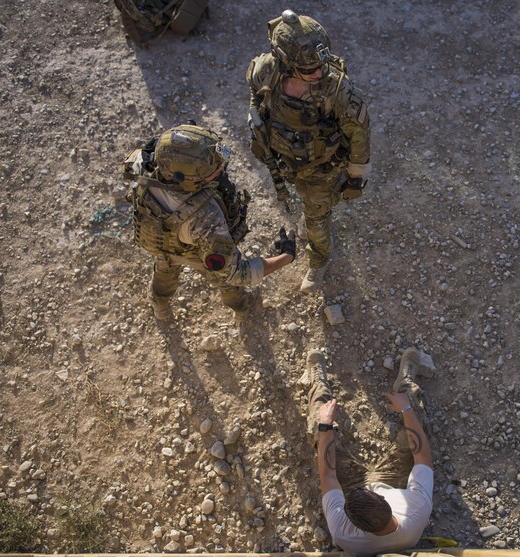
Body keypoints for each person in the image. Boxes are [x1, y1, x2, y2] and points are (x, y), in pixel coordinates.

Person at [247, 9, 371, 294]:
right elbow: (255, 93)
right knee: (307, 206)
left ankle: (319, 261)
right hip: (286, 161)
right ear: (285, 61)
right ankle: (310, 219)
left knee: (317, 221)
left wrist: (356, 177)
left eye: (321, 64)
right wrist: (256, 126)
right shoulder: (267, 69)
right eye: (308, 69)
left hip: (321, 170)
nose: (318, 72)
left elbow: (360, 132)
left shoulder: (337, 89)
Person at [122, 123, 297, 320]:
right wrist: (287, 256)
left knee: (164, 271)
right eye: (212, 170)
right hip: (195, 250)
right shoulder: (206, 217)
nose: (221, 167)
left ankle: (159, 307)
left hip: (158, 242)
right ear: (187, 180)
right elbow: (239, 273)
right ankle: (241, 307)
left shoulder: (145, 165)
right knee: (226, 282)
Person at [304, 348, 433, 556]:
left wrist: (325, 425)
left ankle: (319, 388)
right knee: (417, 424)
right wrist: (406, 410)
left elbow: (327, 475)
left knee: (317, 429)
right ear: (383, 499)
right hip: (393, 481)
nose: (371, 486)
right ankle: (405, 386)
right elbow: (423, 457)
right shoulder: (415, 511)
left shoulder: (342, 532)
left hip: (353, 482)